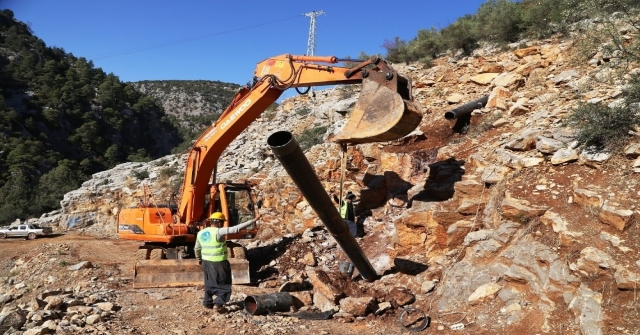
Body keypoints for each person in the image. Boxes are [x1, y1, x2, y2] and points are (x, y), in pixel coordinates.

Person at [194, 211, 261, 313]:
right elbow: (237, 228)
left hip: (206, 262)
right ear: (220, 222)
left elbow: (196, 248)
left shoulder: (201, 233)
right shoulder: (219, 232)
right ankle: (218, 304)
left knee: (209, 282)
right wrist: (253, 220)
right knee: (224, 284)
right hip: (219, 262)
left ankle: (207, 302)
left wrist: (199, 258)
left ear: (211, 221)